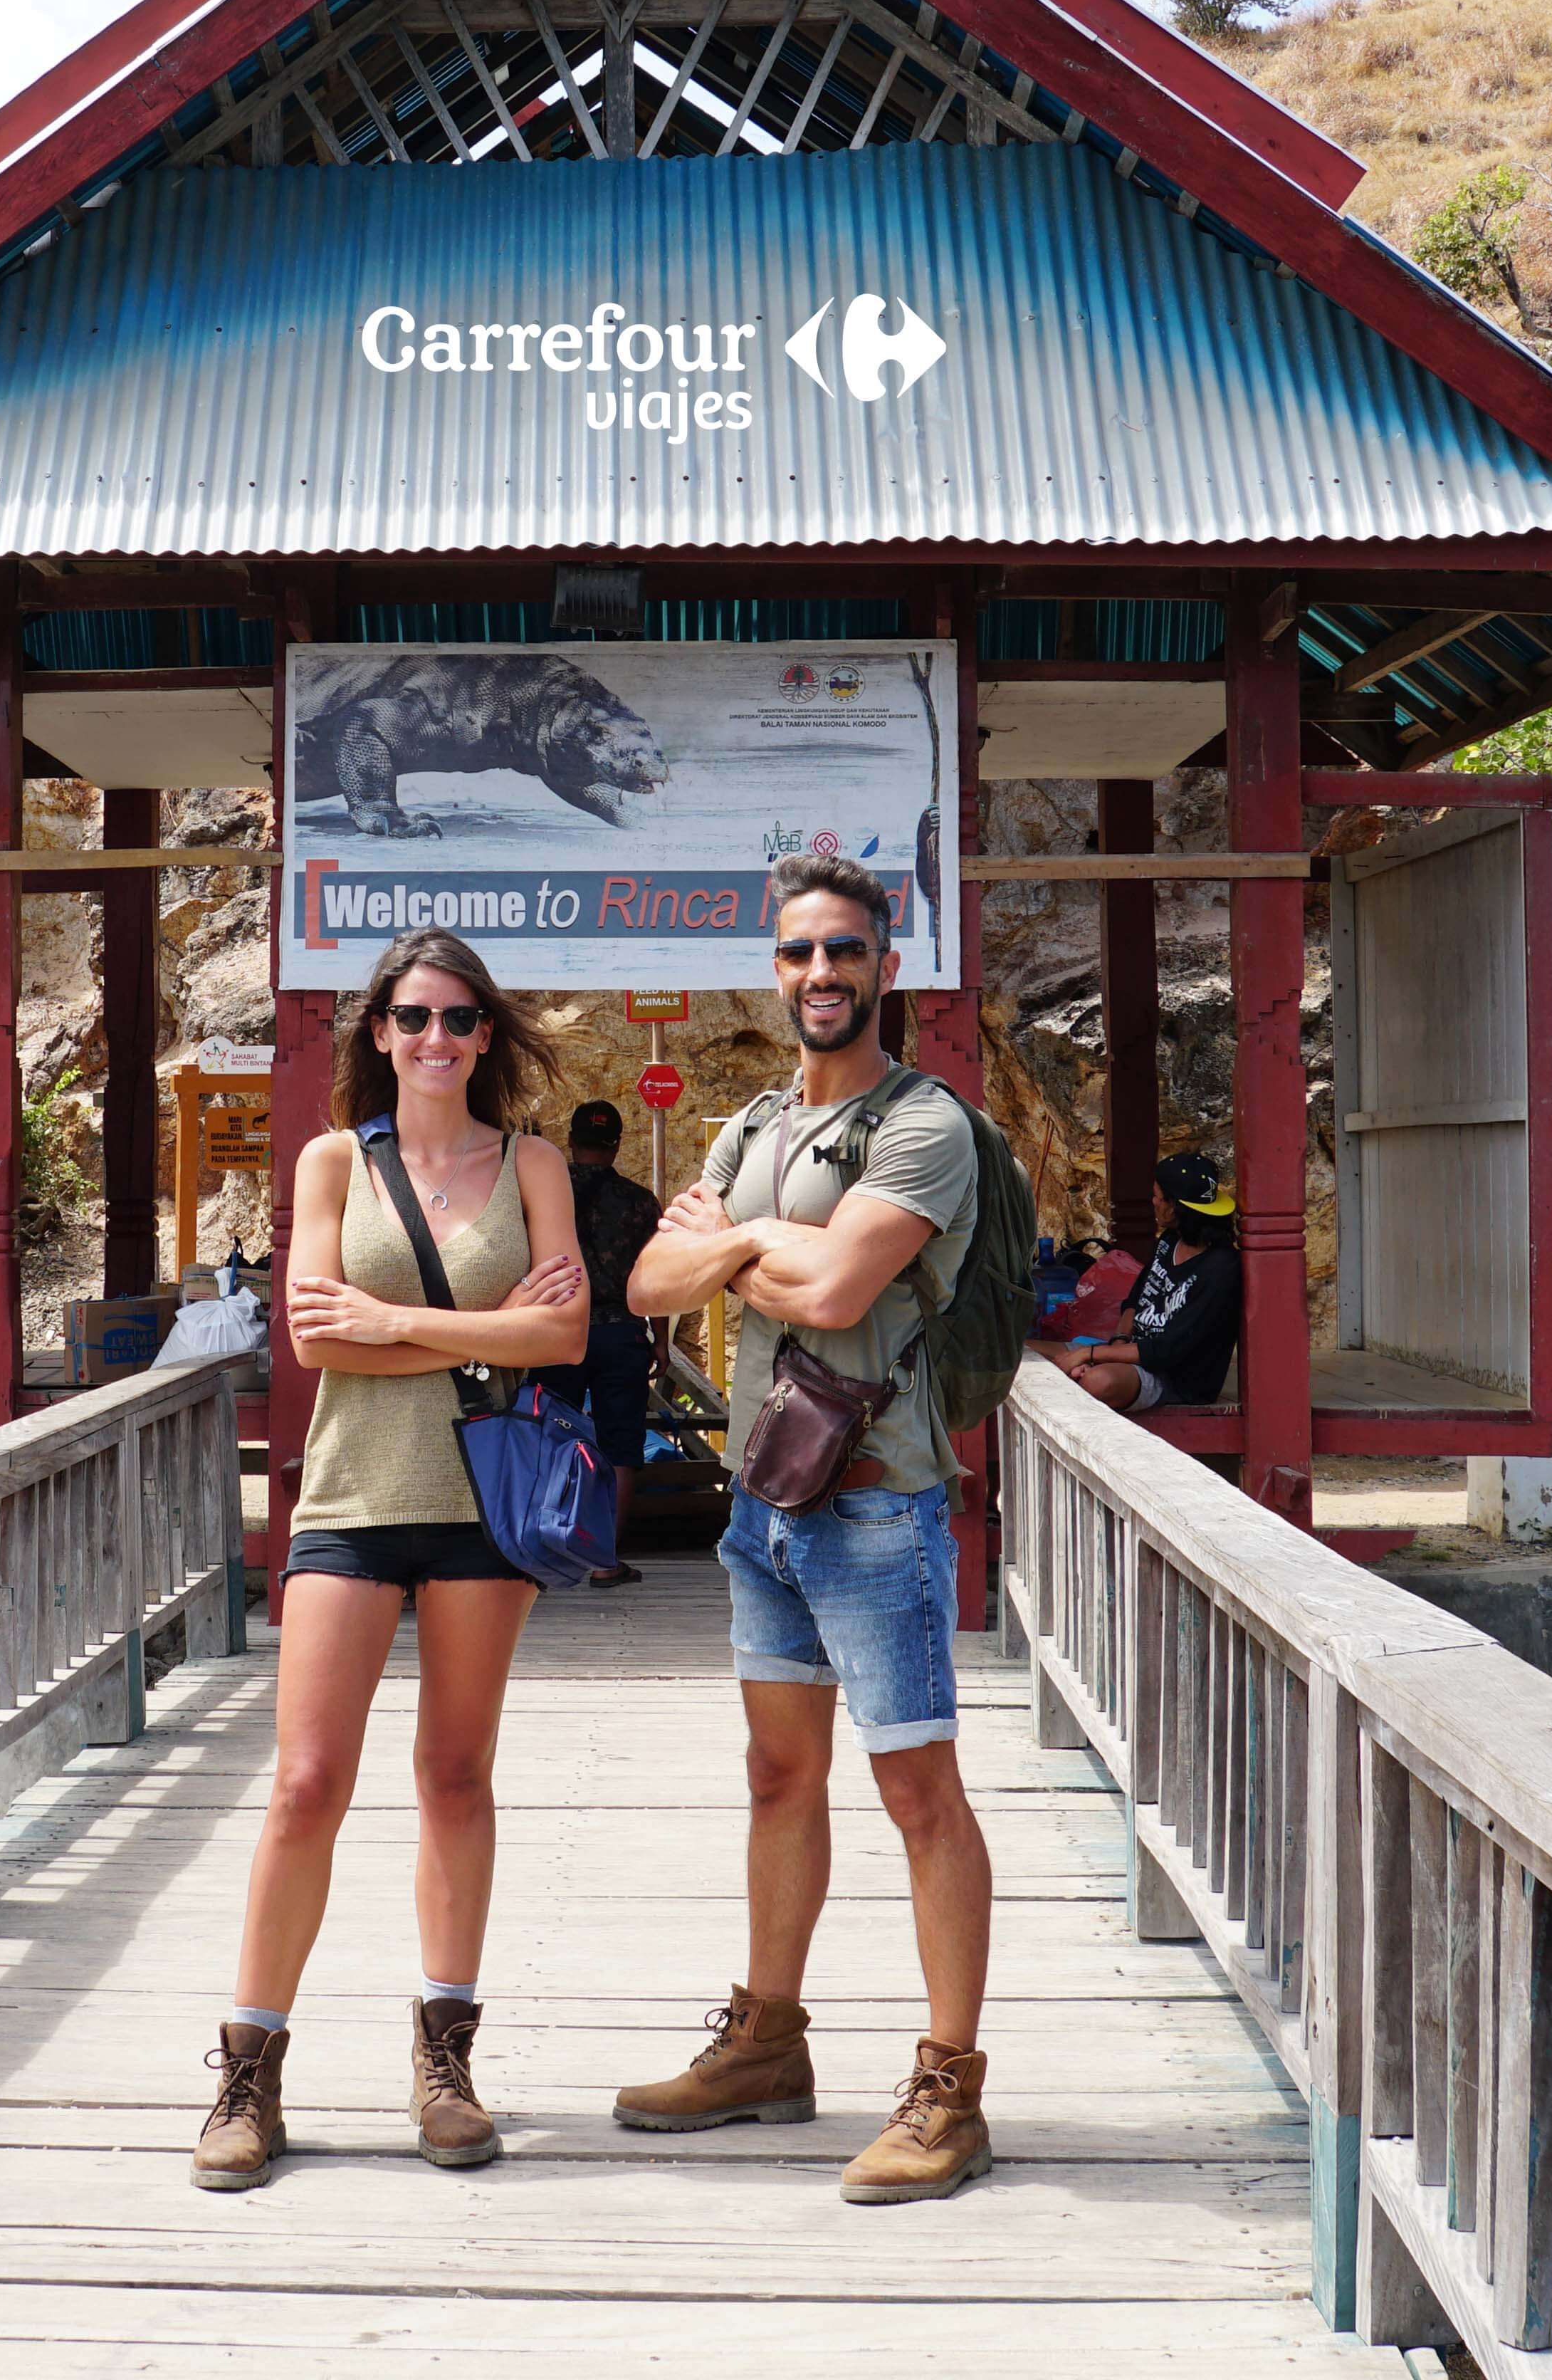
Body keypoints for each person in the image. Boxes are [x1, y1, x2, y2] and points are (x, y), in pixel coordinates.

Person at [615, 855, 997, 2205]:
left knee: (917, 1794)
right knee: (778, 1778)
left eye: (845, 952)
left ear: (887, 966)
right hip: (765, 1512)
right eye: (797, 954)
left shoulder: (925, 1126)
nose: (820, 975)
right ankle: (769, 2045)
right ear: (772, 970)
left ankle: (950, 2088)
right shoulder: (750, 1124)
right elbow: (651, 1282)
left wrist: (738, 1241)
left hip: (879, 1502)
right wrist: (738, 1246)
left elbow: (836, 1295)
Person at [196, 928, 586, 2191]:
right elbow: (320, 1343)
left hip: (485, 1506)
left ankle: (445, 2060)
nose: (437, 1040)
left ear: (487, 1035)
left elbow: (568, 1333)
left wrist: (400, 1322)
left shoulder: (533, 1162)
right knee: (306, 1782)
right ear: (379, 1032)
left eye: (460, 1020)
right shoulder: (328, 1164)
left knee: (456, 1775)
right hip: (355, 1498)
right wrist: (484, 1332)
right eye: (413, 1018)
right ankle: (249, 2073)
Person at [533, 1099, 663, 1586]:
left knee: (550, 1438)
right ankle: (606, 1560)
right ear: (616, 1145)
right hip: (620, 1330)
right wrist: (662, 1341)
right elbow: (657, 1277)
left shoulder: (543, 1195)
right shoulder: (639, 1202)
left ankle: (543, 1551)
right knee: (621, 1444)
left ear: (571, 1141)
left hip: (552, 1329)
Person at [1047, 1152, 1244, 1413]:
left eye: (1157, 1196)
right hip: (1125, 1353)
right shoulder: (1170, 1241)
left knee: (1099, 1381)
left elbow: (1165, 1351)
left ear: (1173, 1207)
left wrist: (1091, 1356)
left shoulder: (1220, 1269)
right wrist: (1117, 1342)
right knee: (1024, 1353)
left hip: (1171, 1377)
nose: (1153, 1202)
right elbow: (1136, 1298)